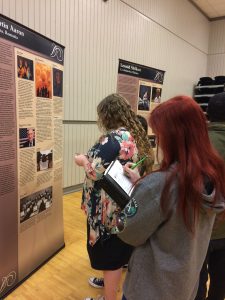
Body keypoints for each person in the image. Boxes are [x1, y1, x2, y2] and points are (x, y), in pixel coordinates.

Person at [116, 95, 225, 300]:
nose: (158, 142)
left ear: (173, 137)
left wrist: (136, 196)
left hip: (149, 289)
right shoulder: (212, 175)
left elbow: (128, 231)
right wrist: (142, 184)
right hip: (184, 286)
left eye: (159, 135)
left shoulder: (160, 185)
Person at [74, 94, 154, 300]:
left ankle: (109, 297)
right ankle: (111, 290)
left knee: (109, 255)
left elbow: (95, 171)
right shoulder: (133, 135)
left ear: (107, 115)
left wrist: (83, 160)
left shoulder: (111, 138)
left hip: (105, 209)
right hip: (122, 204)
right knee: (117, 252)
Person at [88, 114, 151, 290]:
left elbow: (95, 171)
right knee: (118, 253)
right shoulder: (139, 151)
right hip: (125, 209)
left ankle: (110, 287)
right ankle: (111, 281)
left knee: (112, 253)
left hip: (119, 209)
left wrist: (86, 162)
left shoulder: (139, 154)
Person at [195, 92, 225, 300]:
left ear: (207, 114)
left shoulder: (195, 143)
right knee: (221, 280)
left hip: (198, 226)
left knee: (196, 278)